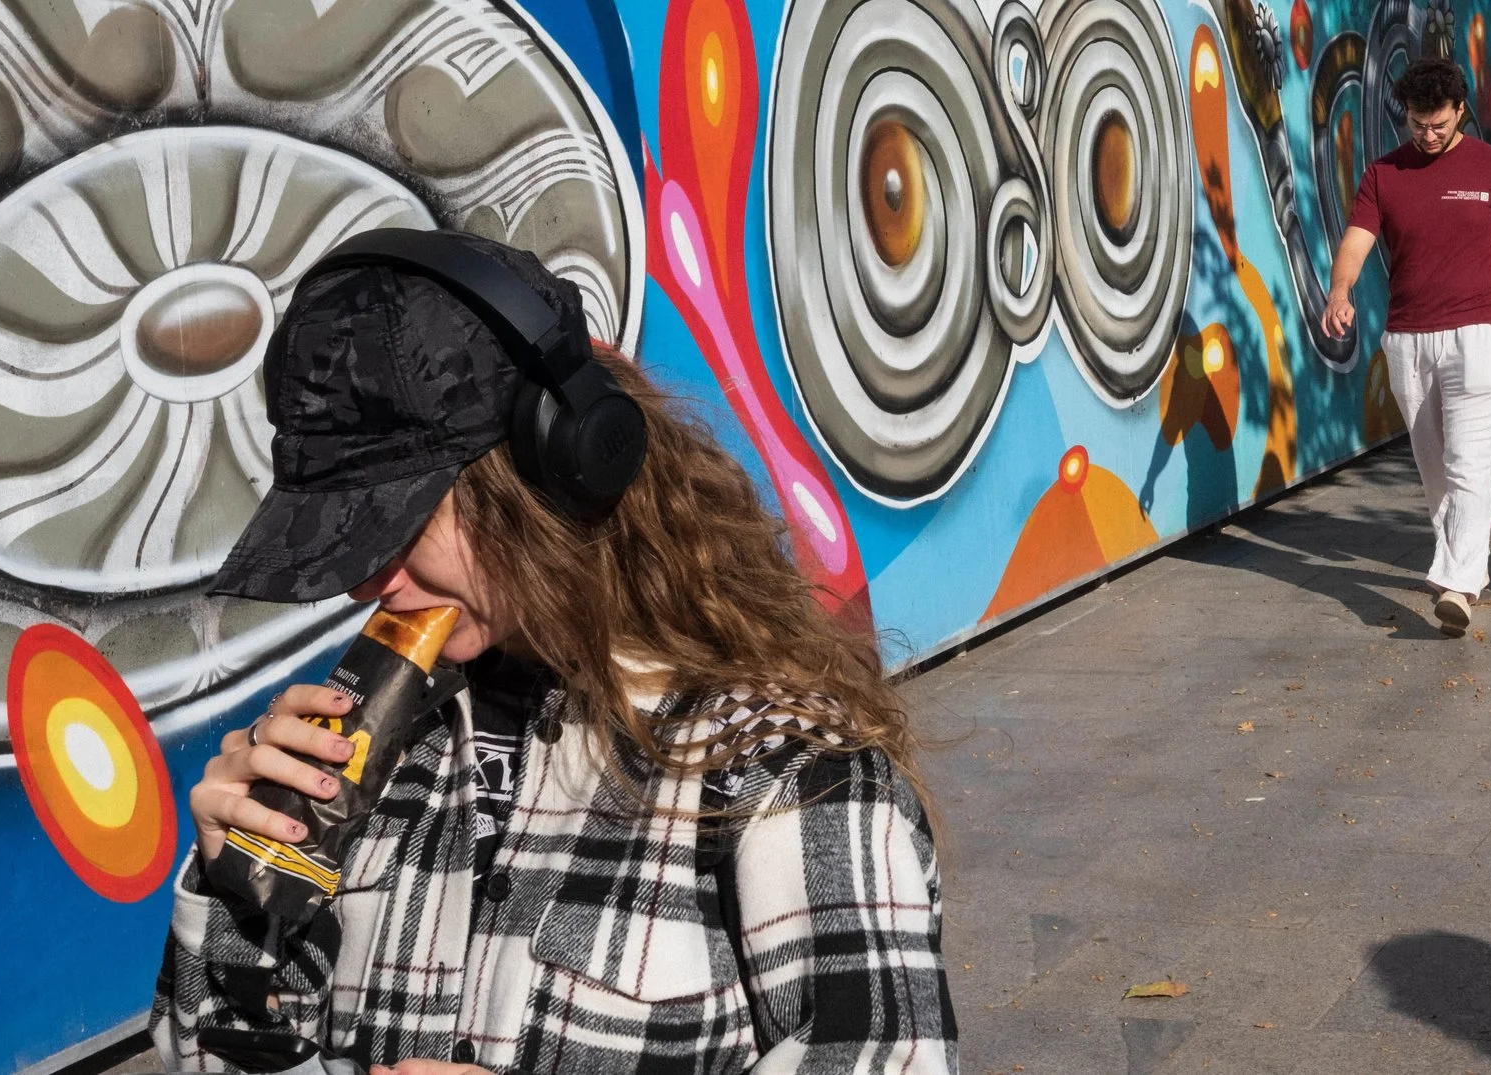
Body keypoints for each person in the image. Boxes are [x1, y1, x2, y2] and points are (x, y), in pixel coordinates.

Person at [153, 232, 954, 1074]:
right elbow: (215, 1054)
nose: (366, 580)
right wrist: (237, 889)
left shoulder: (784, 772)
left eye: (399, 519)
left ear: (548, 471)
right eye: (345, 535)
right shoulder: (377, 748)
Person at [1324, 57, 1491, 635]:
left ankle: (1457, 583)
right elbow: (1356, 242)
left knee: (1470, 461)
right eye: (1418, 124)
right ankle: (1463, 565)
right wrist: (1340, 291)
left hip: (1481, 334)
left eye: (1439, 124)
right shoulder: (1384, 173)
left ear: (1461, 111)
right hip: (1407, 337)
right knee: (1434, 466)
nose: (1428, 135)